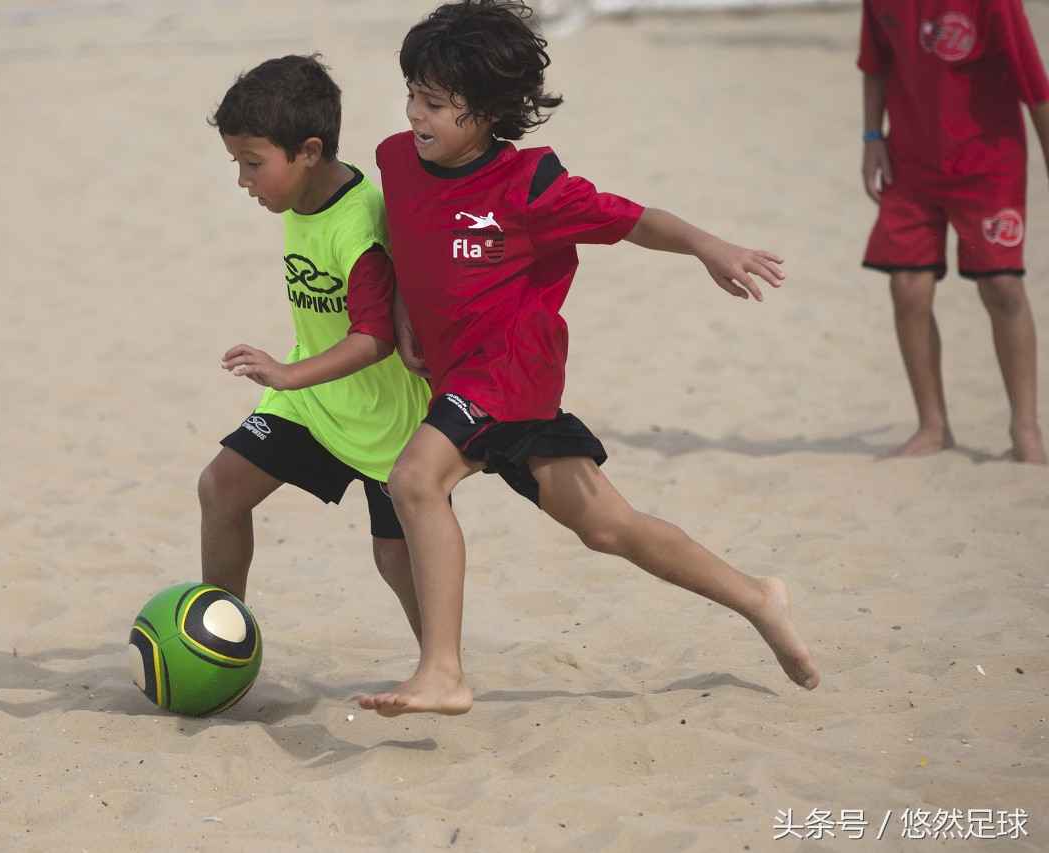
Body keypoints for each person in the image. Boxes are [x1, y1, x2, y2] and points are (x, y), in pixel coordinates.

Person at [357, 0, 819, 717]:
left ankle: (443, 671)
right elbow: (405, 242)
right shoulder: (396, 159)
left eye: (436, 104)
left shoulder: (531, 186)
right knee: (611, 528)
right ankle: (759, 597)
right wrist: (402, 312)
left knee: (415, 480)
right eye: (412, 94)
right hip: (462, 379)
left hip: (508, 374)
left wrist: (708, 245)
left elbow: (634, 220)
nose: (416, 114)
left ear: (489, 111)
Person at [202, 54, 432, 641]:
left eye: (253, 163)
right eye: (237, 162)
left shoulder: (357, 228)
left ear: (308, 151)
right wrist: (295, 381)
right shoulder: (304, 192)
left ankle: (440, 663)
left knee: (395, 558)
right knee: (221, 488)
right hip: (313, 400)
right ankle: (218, 640)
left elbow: (376, 337)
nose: (243, 180)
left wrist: (286, 373)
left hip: (385, 420)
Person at [859, 0, 1049, 464]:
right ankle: (933, 426)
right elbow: (875, 64)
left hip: (988, 165)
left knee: (1002, 288)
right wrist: (871, 137)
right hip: (911, 165)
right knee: (907, 288)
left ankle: (1025, 429)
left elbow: (1036, 89)